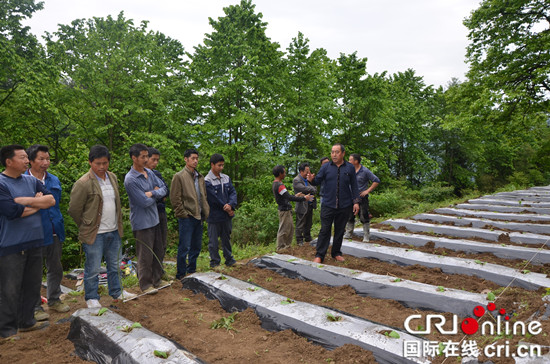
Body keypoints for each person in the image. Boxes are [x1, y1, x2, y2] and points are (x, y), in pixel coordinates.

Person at [0, 145, 55, 337]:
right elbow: (12, 212)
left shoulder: (31, 181)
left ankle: (26, 321)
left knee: (32, 285)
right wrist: (36, 203)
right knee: (10, 288)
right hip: (11, 244)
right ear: (9, 161)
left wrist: (24, 201)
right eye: (22, 158)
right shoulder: (1, 183)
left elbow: (50, 200)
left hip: (35, 241)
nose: (26, 161)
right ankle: (6, 330)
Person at [68, 145, 130, 308]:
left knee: (115, 265)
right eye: (97, 163)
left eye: (105, 163)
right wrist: (86, 224)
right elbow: (74, 210)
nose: (102, 167)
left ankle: (117, 292)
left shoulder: (113, 177)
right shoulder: (83, 183)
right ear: (90, 162)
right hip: (94, 233)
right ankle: (91, 297)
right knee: (93, 267)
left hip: (114, 230)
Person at [25, 145, 69, 322]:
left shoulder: (53, 180)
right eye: (41, 159)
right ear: (31, 160)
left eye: (48, 159)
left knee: (55, 267)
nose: (45, 163)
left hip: (54, 229)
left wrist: (38, 200)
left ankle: (54, 299)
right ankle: (35, 307)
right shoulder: (21, 181)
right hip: (33, 232)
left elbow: (53, 202)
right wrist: (37, 202)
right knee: (33, 271)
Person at [124, 144, 168, 294]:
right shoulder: (130, 179)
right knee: (145, 254)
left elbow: (163, 189)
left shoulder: (149, 172)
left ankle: (157, 279)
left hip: (154, 218)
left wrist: (152, 194)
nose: (145, 159)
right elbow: (143, 202)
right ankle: (145, 284)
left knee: (158, 250)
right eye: (142, 156)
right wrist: (155, 194)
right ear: (134, 158)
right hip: (142, 222)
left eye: (146, 156)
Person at [307, 144, 359, 263]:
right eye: (332, 152)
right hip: (328, 204)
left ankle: (336, 253)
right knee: (325, 230)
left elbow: (354, 186)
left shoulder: (350, 168)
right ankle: (319, 255)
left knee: (340, 230)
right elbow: (317, 181)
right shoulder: (326, 167)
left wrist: (356, 202)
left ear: (343, 153)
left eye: (337, 152)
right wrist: (311, 180)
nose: (334, 155)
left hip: (344, 204)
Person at [170, 149, 209, 281]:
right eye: (193, 158)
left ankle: (192, 270)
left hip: (199, 215)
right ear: (186, 159)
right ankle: (181, 274)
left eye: (197, 158)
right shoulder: (179, 176)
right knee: (184, 246)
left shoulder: (199, 177)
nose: (196, 161)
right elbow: (175, 198)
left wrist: (205, 211)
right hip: (187, 216)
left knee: (196, 246)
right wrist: (183, 214)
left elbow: (203, 196)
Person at [204, 154, 237, 268]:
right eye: (219, 165)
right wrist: (227, 208)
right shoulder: (207, 180)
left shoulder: (226, 178)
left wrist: (231, 205)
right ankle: (215, 262)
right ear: (212, 165)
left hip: (226, 216)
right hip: (214, 216)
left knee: (226, 238)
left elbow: (233, 192)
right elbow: (213, 198)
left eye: (223, 165)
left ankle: (229, 259)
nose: (221, 168)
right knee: (213, 241)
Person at [272, 165, 313, 251]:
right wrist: (303, 198)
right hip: (284, 210)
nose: (285, 174)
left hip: (286, 209)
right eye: (284, 172)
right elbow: (289, 197)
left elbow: (286, 197)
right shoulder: (279, 185)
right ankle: (281, 247)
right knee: (284, 230)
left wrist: (296, 196)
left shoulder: (277, 184)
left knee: (289, 229)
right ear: (280, 173)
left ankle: (286, 246)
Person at [145, 147, 169, 278]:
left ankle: (159, 271)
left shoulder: (157, 174)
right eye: (153, 160)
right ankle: (149, 275)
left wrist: (155, 193)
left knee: (162, 244)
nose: (155, 163)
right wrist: (157, 193)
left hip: (160, 212)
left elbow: (166, 192)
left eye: (157, 160)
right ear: (145, 158)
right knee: (150, 245)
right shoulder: (141, 175)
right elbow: (144, 196)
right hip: (148, 214)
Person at [344, 153, 380, 242]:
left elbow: (376, 180)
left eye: (350, 160)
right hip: (350, 197)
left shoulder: (365, 171)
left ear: (356, 161)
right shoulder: (349, 171)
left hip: (362, 198)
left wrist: (367, 190)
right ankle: (348, 233)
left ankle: (366, 235)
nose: (348, 162)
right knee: (349, 216)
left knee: (364, 216)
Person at [293, 162, 317, 246]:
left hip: (310, 204)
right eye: (306, 171)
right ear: (301, 171)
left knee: (309, 223)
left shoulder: (308, 180)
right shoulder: (297, 180)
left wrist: (311, 188)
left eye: (309, 171)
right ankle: (299, 240)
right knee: (300, 223)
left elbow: (315, 189)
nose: (308, 173)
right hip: (302, 205)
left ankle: (307, 237)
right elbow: (303, 189)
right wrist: (311, 188)